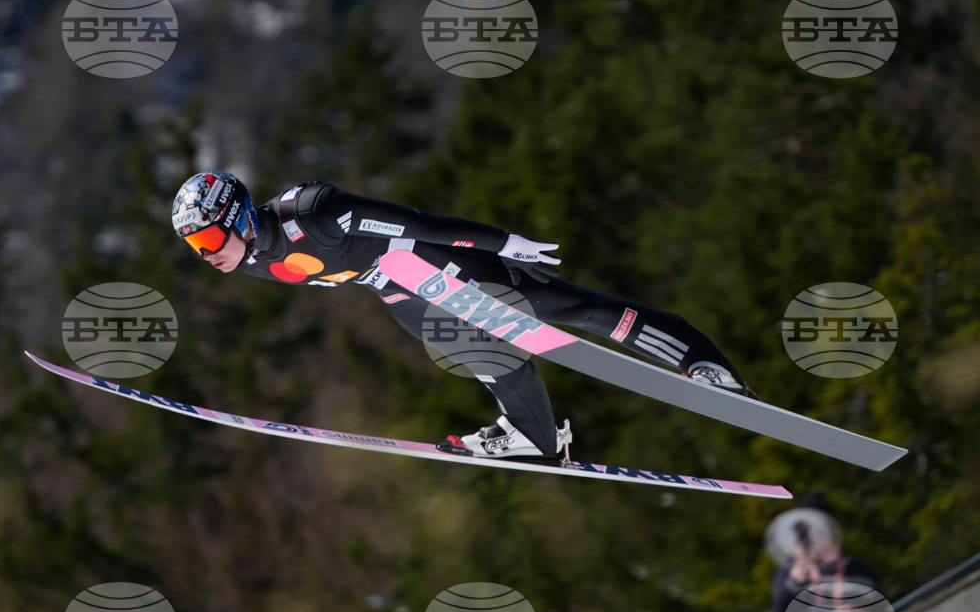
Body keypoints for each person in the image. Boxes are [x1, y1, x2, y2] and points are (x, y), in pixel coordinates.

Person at [171, 171, 757, 459]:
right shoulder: (249, 259)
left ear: (239, 215)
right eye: (195, 248)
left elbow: (418, 222)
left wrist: (504, 243)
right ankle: (535, 437)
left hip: (438, 263)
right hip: (397, 290)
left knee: (576, 311)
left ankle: (701, 363)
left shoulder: (314, 212)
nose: (208, 255)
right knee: (485, 358)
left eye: (210, 239)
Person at [769, 491, 881, 612]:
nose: (806, 537)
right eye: (801, 531)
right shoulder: (790, 572)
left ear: (831, 530)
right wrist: (795, 580)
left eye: (812, 528)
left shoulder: (863, 573)